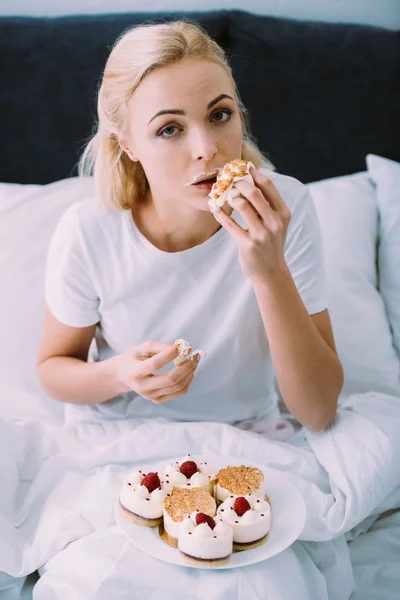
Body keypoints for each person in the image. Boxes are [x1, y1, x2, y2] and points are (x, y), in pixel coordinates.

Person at [37, 20, 343, 434]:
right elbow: (54, 371)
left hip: (245, 433)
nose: (207, 150)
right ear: (128, 144)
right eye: (169, 129)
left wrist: (269, 271)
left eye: (220, 115)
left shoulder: (284, 208)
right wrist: (118, 375)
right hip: (121, 432)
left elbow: (320, 411)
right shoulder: (89, 230)